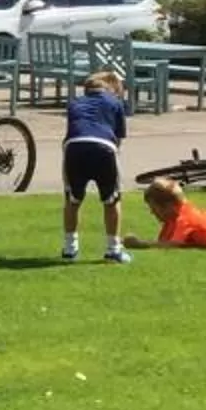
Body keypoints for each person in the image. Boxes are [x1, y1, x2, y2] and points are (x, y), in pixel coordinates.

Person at [60, 66, 133, 264]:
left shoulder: (74, 104)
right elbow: (118, 138)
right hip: (104, 147)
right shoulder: (116, 103)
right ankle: (113, 249)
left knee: (72, 200)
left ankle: (70, 248)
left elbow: (72, 131)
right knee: (111, 200)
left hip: (74, 147)